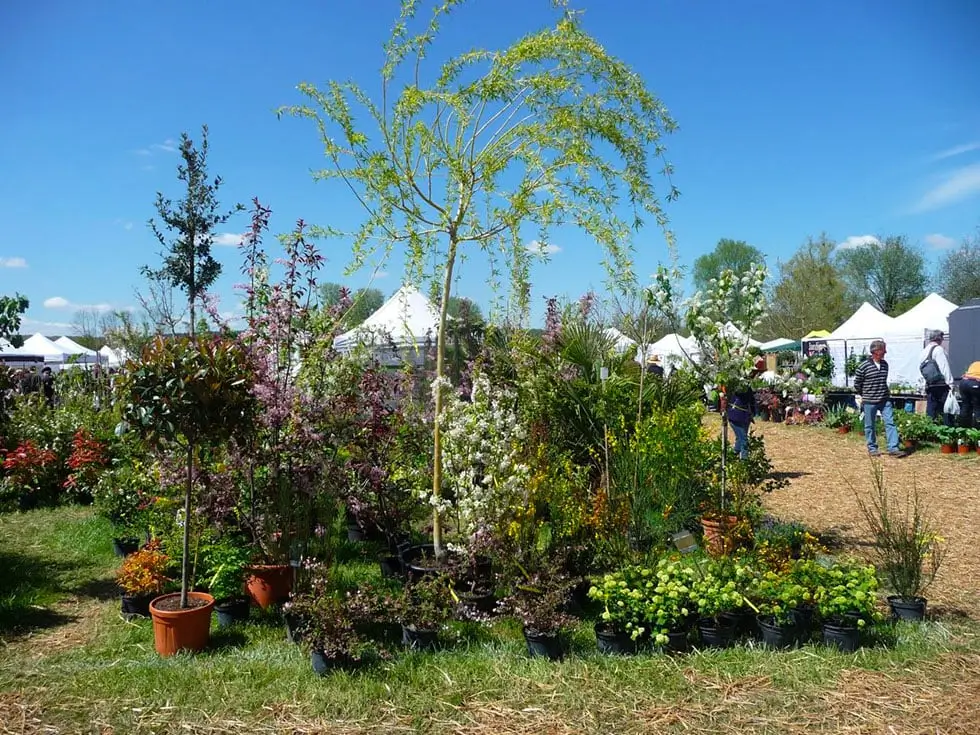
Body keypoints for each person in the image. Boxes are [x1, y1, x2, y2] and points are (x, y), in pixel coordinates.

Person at [853, 339, 905, 458]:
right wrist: (865, 394)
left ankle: (893, 448)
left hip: (884, 399)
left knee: (890, 422)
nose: (885, 352)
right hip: (869, 400)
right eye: (883, 350)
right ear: (876, 351)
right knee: (869, 425)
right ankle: (872, 448)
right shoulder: (863, 367)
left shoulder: (885, 365)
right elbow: (857, 383)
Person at [726, 357, 764, 459]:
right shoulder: (740, 384)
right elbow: (741, 394)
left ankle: (733, 457)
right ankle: (744, 463)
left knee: (740, 439)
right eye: (754, 372)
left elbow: (751, 400)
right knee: (744, 440)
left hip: (744, 415)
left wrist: (754, 412)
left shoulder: (747, 385)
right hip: (736, 415)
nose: (755, 374)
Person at [919, 329, 953, 423]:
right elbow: (944, 367)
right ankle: (948, 430)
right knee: (947, 409)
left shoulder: (924, 351)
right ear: (939, 338)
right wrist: (950, 383)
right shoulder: (938, 349)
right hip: (941, 384)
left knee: (931, 408)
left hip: (930, 384)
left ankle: (929, 428)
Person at [958, 360, 980, 429]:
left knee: (965, 405)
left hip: (963, 382)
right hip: (974, 383)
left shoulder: (975, 364)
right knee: (977, 407)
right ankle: (977, 429)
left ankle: (963, 428)